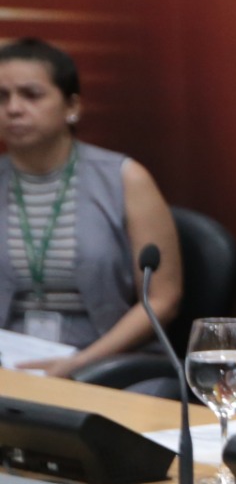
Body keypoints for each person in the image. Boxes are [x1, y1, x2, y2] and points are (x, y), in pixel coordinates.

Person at [0, 38, 181, 378]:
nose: (13, 108)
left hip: (109, 361)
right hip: (11, 364)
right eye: (2, 97)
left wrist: (79, 365)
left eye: (31, 95)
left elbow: (163, 299)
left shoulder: (125, 178)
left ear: (72, 106)